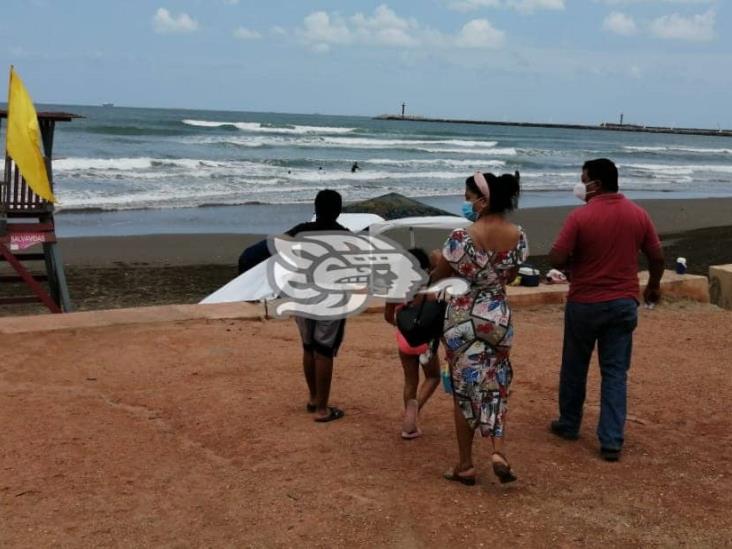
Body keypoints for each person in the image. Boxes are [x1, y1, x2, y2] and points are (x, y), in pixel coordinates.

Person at [548, 158, 664, 461]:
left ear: (595, 184)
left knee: (575, 366)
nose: (580, 184)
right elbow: (657, 256)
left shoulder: (580, 217)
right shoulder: (638, 214)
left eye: (583, 178)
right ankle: (611, 440)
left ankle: (569, 423)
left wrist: (573, 260)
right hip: (623, 304)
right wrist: (653, 285)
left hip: (585, 303)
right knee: (615, 372)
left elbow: (557, 258)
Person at [430, 170, 526, 485]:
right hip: (498, 317)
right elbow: (509, 278)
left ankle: (466, 464)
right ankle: (498, 449)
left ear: (483, 201)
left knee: (464, 390)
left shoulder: (461, 238)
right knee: (496, 383)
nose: (467, 204)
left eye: (469, 198)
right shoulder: (518, 236)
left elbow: (441, 278)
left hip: (463, 320)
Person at [285, 189, 349, 423]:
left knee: (308, 346)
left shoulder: (301, 230)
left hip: (302, 294)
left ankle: (313, 398)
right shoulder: (345, 236)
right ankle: (323, 409)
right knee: (324, 351)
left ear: (315, 207)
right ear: (339, 211)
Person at [384, 248, 441, 440]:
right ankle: (414, 412)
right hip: (425, 340)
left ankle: (409, 425)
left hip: (404, 338)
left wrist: (403, 326)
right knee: (433, 377)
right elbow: (435, 315)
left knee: (410, 380)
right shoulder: (428, 286)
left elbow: (388, 316)